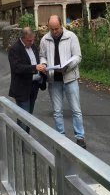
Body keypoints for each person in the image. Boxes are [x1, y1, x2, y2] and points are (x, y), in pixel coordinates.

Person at [39, 15, 86, 148]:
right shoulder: (44, 39)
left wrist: (67, 67)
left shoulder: (71, 37)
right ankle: (61, 137)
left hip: (70, 78)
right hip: (54, 79)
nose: (54, 32)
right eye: (51, 29)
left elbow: (78, 56)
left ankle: (80, 137)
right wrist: (43, 64)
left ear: (61, 25)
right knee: (57, 111)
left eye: (56, 29)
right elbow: (42, 56)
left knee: (76, 110)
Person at [8, 27, 46, 132]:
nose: (32, 42)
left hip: (34, 86)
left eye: (33, 39)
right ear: (23, 38)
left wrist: (42, 69)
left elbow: (37, 61)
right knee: (24, 120)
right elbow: (17, 68)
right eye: (29, 40)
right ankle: (21, 146)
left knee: (29, 118)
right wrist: (35, 68)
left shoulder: (33, 46)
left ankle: (25, 144)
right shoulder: (15, 49)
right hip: (22, 88)